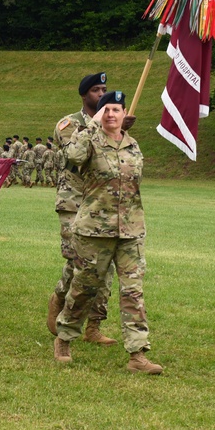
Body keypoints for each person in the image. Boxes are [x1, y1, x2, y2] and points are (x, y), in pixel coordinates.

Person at [53, 90, 162, 375]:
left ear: (125, 114)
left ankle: (137, 354)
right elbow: (72, 157)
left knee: (133, 292)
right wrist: (91, 125)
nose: (111, 114)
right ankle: (64, 338)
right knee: (84, 287)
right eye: (106, 110)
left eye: (116, 109)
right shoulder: (89, 141)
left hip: (130, 231)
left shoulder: (133, 146)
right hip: (93, 231)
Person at [47, 72, 136, 344]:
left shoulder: (113, 123)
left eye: (104, 89)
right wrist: (101, 126)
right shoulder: (68, 125)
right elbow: (76, 158)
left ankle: (94, 326)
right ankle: (61, 296)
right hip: (74, 201)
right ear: (84, 95)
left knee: (105, 266)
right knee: (80, 261)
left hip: (103, 204)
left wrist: (119, 129)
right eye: (96, 90)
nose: (101, 94)